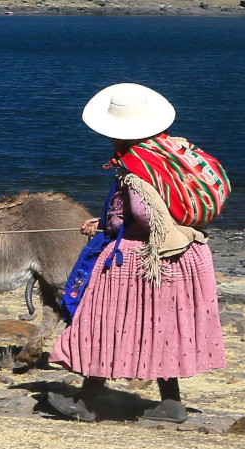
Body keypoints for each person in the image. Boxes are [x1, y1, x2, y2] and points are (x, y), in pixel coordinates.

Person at [47, 82, 225, 422]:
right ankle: (171, 403)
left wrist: (112, 225)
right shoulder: (170, 151)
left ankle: (85, 403)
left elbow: (145, 216)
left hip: (143, 258)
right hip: (184, 254)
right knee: (160, 324)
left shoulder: (137, 167)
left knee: (106, 322)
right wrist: (104, 221)